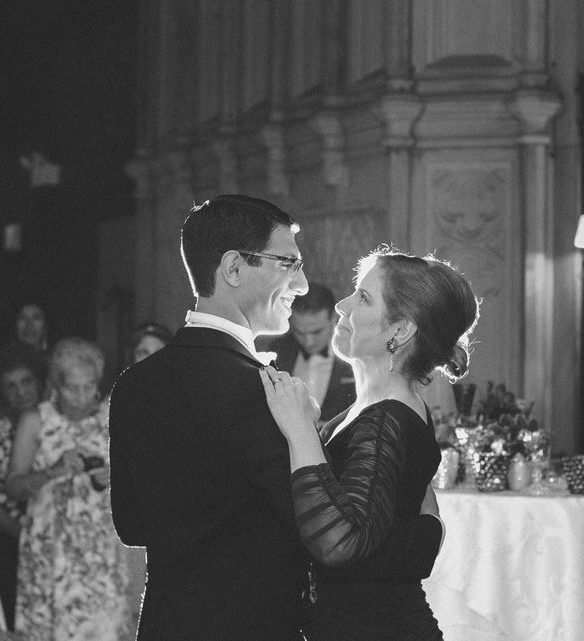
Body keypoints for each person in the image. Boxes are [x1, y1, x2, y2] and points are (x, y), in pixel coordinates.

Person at [108, 194, 444, 641]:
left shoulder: (134, 384)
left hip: (165, 626)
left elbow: (131, 524)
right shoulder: (264, 394)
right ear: (233, 268)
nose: (302, 284)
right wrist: (427, 533)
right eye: (288, 263)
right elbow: (330, 541)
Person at [261, 245, 479, 640]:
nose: (342, 306)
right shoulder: (383, 409)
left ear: (400, 330)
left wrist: (300, 430)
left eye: (362, 297)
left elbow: (341, 542)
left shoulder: (385, 418)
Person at [6, 337, 134, 641]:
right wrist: (54, 471)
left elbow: (143, 480)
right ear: (56, 384)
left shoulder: (111, 418)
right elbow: (13, 486)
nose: (81, 397)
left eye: (88, 387)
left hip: (100, 551)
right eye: (72, 388)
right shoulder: (36, 420)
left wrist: (116, 477)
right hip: (50, 550)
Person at [0, 344, 46, 630]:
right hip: (8, 542)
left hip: (51, 541)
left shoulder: (54, 425)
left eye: (26, 381)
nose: (21, 392)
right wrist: (24, 537)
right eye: (11, 386)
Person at [269, 283, 356, 425]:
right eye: (299, 332)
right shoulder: (277, 350)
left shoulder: (354, 352)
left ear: (333, 318)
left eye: (317, 332)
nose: (309, 342)